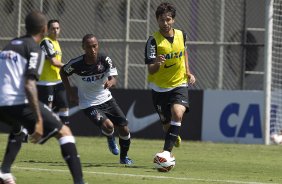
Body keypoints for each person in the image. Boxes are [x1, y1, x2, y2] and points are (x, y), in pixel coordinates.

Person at [0, 11, 85, 184]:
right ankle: (79, 181)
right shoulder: (34, 48)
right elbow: (29, 84)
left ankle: (4, 172)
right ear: (44, 29)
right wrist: (38, 119)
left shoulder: (10, 45)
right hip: (16, 102)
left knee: (17, 127)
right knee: (64, 132)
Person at [60, 34, 133, 165]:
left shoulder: (105, 60)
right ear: (83, 48)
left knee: (124, 129)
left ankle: (124, 157)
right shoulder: (77, 64)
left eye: (95, 46)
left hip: (107, 99)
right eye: (89, 47)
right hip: (88, 104)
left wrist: (111, 82)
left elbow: (114, 77)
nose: (93, 50)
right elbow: (63, 72)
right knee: (109, 126)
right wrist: (71, 92)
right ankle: (110, 137)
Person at [144, 2, 196, 156]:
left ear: (173, 20)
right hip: (159, 88)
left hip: (179, 83)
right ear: (157, 20)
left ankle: (166, 153)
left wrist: (188, 72)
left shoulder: (182, 35)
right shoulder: (153, 41)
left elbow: (184, 53)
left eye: (168, 19)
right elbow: (151, 70)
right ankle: (173, 135)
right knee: (167, 125)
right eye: (161, 20)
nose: (165, 23)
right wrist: (158, 64)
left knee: (178, 113)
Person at [37, 19, 70, 125]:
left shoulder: (56, 42)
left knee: (64, 106)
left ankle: (65, 130)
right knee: (46, 109)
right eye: (53, 28)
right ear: (48, 30)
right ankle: (26, 130)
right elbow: (53, 62)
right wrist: (70, 66)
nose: (55, 31)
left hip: (58, 81)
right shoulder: (46, 41)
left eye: (57, 28)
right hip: (46, 82)